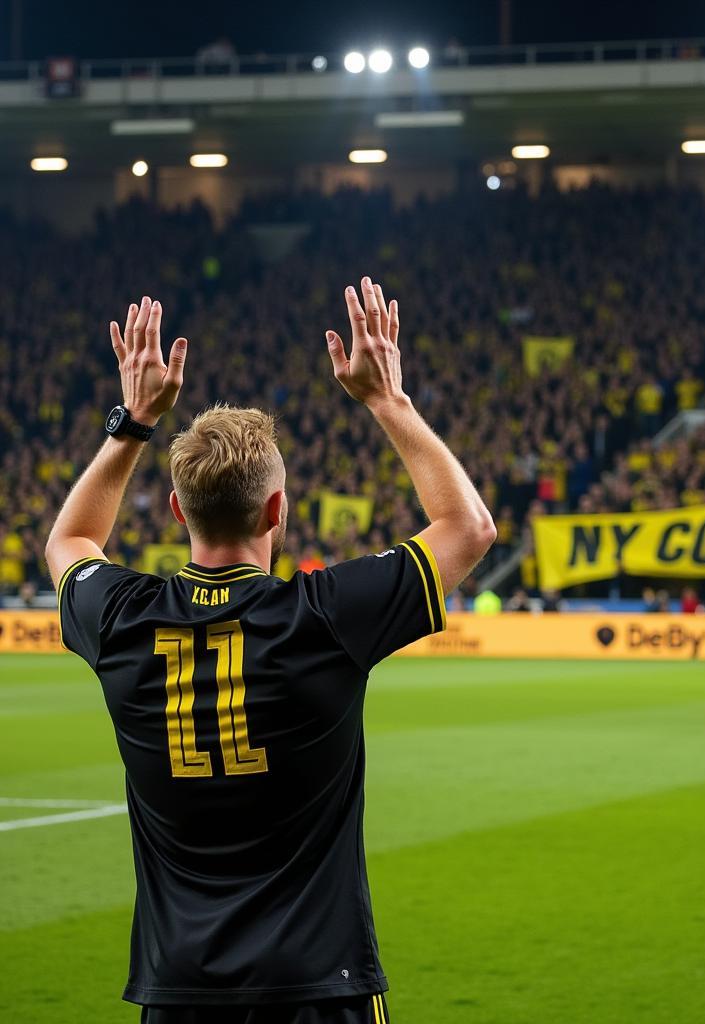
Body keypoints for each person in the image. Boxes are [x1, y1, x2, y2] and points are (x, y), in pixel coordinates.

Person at [45, 280, 496, 1024]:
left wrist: (133, 424)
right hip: (317, 988)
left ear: (178, 509)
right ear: (277, 509)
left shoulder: (121, 617)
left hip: (178, 991)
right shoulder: (322, 618)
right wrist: (388, 399)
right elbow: (469, 526)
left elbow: (69, 541)